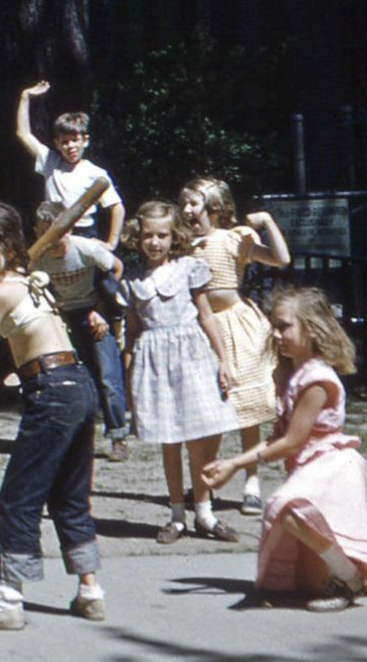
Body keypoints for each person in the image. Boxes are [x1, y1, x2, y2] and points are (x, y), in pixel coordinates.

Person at [202, 287, 367, 611]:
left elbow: (292, 441)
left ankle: (351, 579)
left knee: (285, 508)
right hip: (309, 467)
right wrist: (233, 462)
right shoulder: (289, 374)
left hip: (332, 466)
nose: (277, 334)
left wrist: (235, 465)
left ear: (312, 329)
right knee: (310, 580)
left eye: (285, 326)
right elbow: (277, 438)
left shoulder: (316, 379)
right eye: (274, 326)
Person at [0, 203, 105, 629]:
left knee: (16, 500)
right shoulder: (31, 281)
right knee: (68, 496)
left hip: (51, 390)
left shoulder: (3, 293)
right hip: (78, 384)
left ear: (7, 245)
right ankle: (90, 591)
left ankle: (8, 600)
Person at [121, 200, 241, 544]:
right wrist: (128, 378)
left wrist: (223, 360)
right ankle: (176, 516)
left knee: (198, 440)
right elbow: (131, 333)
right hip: (154, 364)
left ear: (174, 236)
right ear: (138, 236)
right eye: (148, 235)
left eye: (162, 235)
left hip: (192, 358)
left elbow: (206, 316)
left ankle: (205, 513)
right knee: (170, 441)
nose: (154, 242)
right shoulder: (132, 279)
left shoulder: (189, 268)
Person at [181, 178, 291, 514]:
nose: (186, 209)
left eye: (193, 203)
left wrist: (267, 221)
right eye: (183, 203)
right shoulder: (182, 243)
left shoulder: (234, 238)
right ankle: (207, 480)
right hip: (199, 329)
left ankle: (251, 482)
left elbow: (281, 259)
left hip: (236, 325)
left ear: (214, 206)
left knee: (247, 407)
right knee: (207, 407)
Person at [29, 201, 130, 460]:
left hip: (94, 311)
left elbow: (116, 268)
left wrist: (102, 310)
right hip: (63, 316)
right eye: (46, 233)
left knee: (108, 375)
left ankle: (118, 435)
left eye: (59, 232)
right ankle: (77, 437)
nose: (54, 240)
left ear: (70, 228)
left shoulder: (86, 248)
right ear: (37, 232)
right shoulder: (37, 258)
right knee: (75, 379)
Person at [15, 82, 124, 250]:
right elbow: (23, 134)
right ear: (57, 144)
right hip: (54, 231)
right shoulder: (50, 162)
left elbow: (117, 207)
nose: (70, 146)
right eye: (64, 142)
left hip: (84, 232)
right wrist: (25, 96)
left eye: (74, 140)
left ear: (85, 141)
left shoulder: (96, 173)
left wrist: (111, 243)